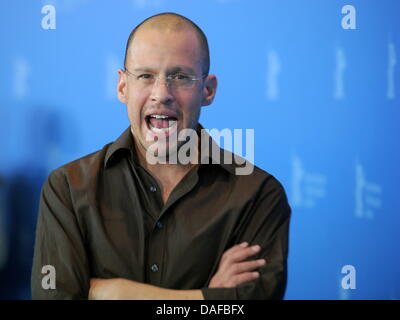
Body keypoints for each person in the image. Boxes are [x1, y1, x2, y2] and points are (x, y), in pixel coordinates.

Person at [31, 12, 291, 300]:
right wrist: (205, 298)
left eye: (180, 77)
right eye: (145, 76)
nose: (161, 93)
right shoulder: (68, 188)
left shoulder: (258, 194)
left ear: (208, 90)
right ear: (122, 86)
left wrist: (113, 293)